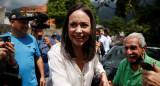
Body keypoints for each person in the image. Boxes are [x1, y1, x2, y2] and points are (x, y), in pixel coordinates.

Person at [48, 3, 110, 86]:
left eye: (84, 25)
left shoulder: (91, 50)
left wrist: (103, 75)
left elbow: (97, 64)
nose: (78, 31)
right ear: (67, 27)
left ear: (91, 28)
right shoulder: (57, 52)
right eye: (73, 25)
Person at [1, 9, 45, 86]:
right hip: (12, 83)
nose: (26, 26)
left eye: (27, 23)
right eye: (23, 22)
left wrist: (42, 76)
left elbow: (38, 58)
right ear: (12, 23)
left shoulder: (32, 39)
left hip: (32, 84)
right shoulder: (2, 40)